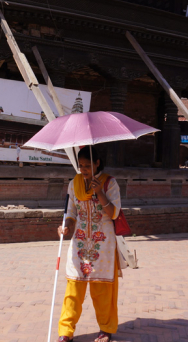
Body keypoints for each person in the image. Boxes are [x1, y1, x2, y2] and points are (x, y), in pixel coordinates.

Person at [57, 146, 121, 342]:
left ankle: (106, 329)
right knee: (73, 288)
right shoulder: (73, 184)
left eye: (87, 165)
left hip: (103, 245)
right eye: (80, 165)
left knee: (102, 289)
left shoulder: (110, 183)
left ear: (97, 163)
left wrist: (99, 192)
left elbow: (114, 213)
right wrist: (66, 226)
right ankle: (65, 331)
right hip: (80, 244)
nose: (83, 169)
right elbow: (71, 213)